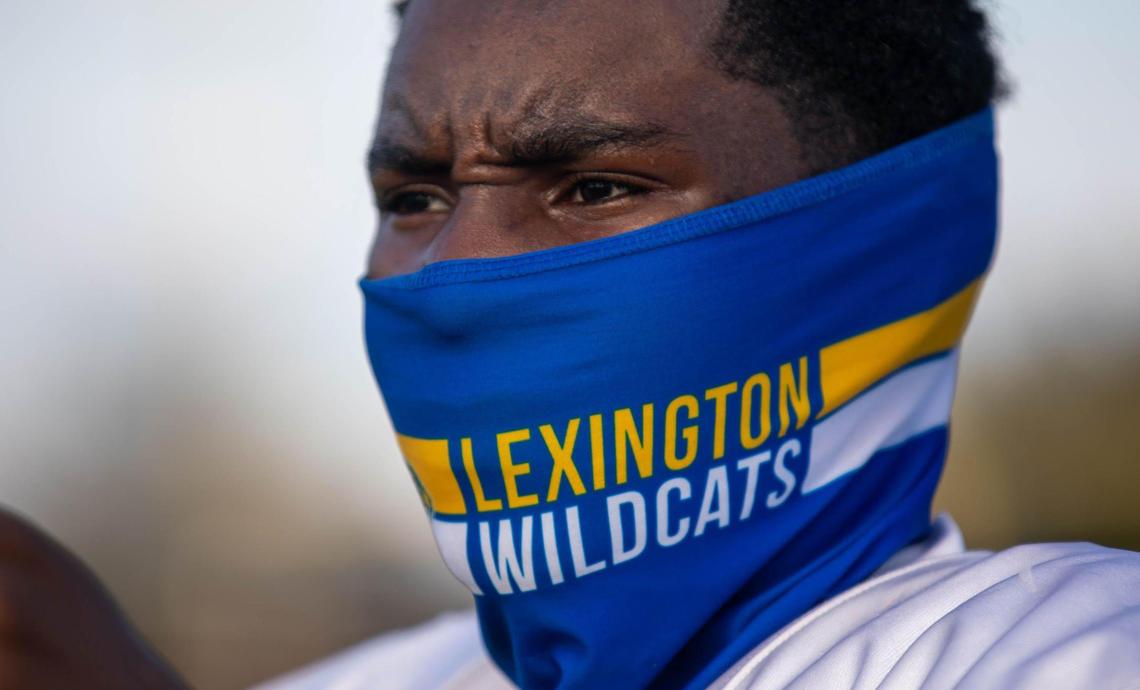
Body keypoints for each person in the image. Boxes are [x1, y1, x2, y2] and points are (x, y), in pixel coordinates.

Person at [1, 1, 1138, 689]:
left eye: (593, 188)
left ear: (884, 241)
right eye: (413, 196)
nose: (455, 272)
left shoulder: (1066, 651)